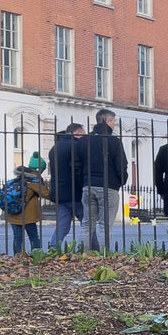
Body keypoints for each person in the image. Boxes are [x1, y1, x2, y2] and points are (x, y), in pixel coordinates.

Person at [81, 108, 128, 252]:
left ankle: (85, 255)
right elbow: (122, 165)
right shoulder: (113, 141)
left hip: (88, 185)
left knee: (87, 224)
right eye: (113, 121)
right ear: (108, 121)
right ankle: (104, 255)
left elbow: (77, 164)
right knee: (105, 225)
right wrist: (120, 181)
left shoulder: (84, 141)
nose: (114, 124)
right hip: (108, 186)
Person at [47, 123, 86, 250]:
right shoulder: (75, 146)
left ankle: (53, 248)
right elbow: (77, 169)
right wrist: (83, 186)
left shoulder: (54, 148)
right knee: (87, 224)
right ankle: (92, 249)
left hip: (59, 193)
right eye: (83, 135)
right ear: (78, 133)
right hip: (74, 192)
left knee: (62, 225)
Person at [2, 155, 50, 255]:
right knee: (33, 236)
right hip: (28, 215)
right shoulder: (32, 182)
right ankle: (36, 255)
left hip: (12, 213)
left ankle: (17, 257)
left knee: (17, 237)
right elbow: (47, 194)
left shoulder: (12, 182)